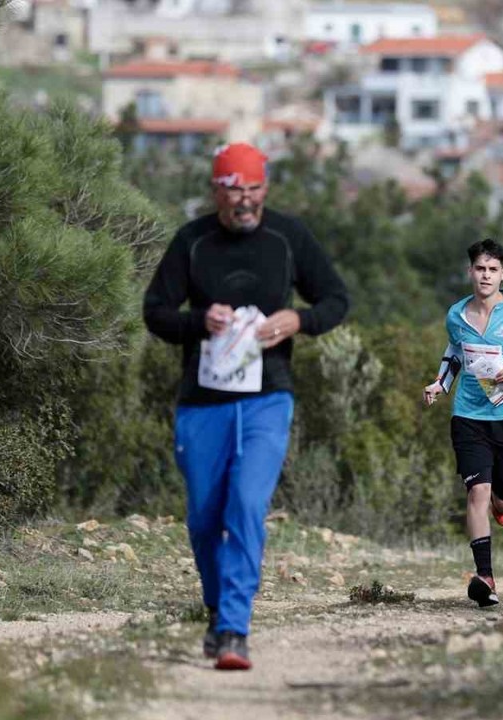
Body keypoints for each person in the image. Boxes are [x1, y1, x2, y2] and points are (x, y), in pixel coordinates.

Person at [143, 142, 349, 670]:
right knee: (205, 517)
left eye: (254, 189)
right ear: (216, 190)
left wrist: (297, 320)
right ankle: (217, 610)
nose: (245, 201)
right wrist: (198, 322)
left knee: (247, 506)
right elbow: (155, 312)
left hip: (267, 399)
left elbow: (335, 299)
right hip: (203, 403)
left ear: (265, 189)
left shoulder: (288, 237)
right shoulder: (191, 242)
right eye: (235, 191)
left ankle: (235, 627)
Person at [423, 239, 503, 608]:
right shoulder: (456, 315)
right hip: (469, 417)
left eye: (493, 269)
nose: (486, 275)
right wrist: (440, 384)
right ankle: (485, 576)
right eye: (480, 268)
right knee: (477, 492)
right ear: (471, 272)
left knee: (502, 497)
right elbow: (453, 353)